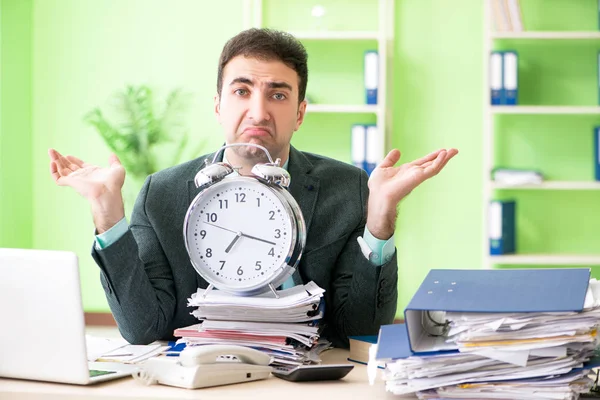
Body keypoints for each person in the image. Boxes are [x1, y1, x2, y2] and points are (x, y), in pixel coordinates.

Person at [49, 28, 458, 347]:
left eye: (277, 94)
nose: (258, 112)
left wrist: (381, 214)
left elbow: (361, 328)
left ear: (299, 113)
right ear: (218, 105)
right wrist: (107, 213)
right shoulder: (163, 194)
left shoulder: (348, 188)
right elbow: (142, 327)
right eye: (242, 90)